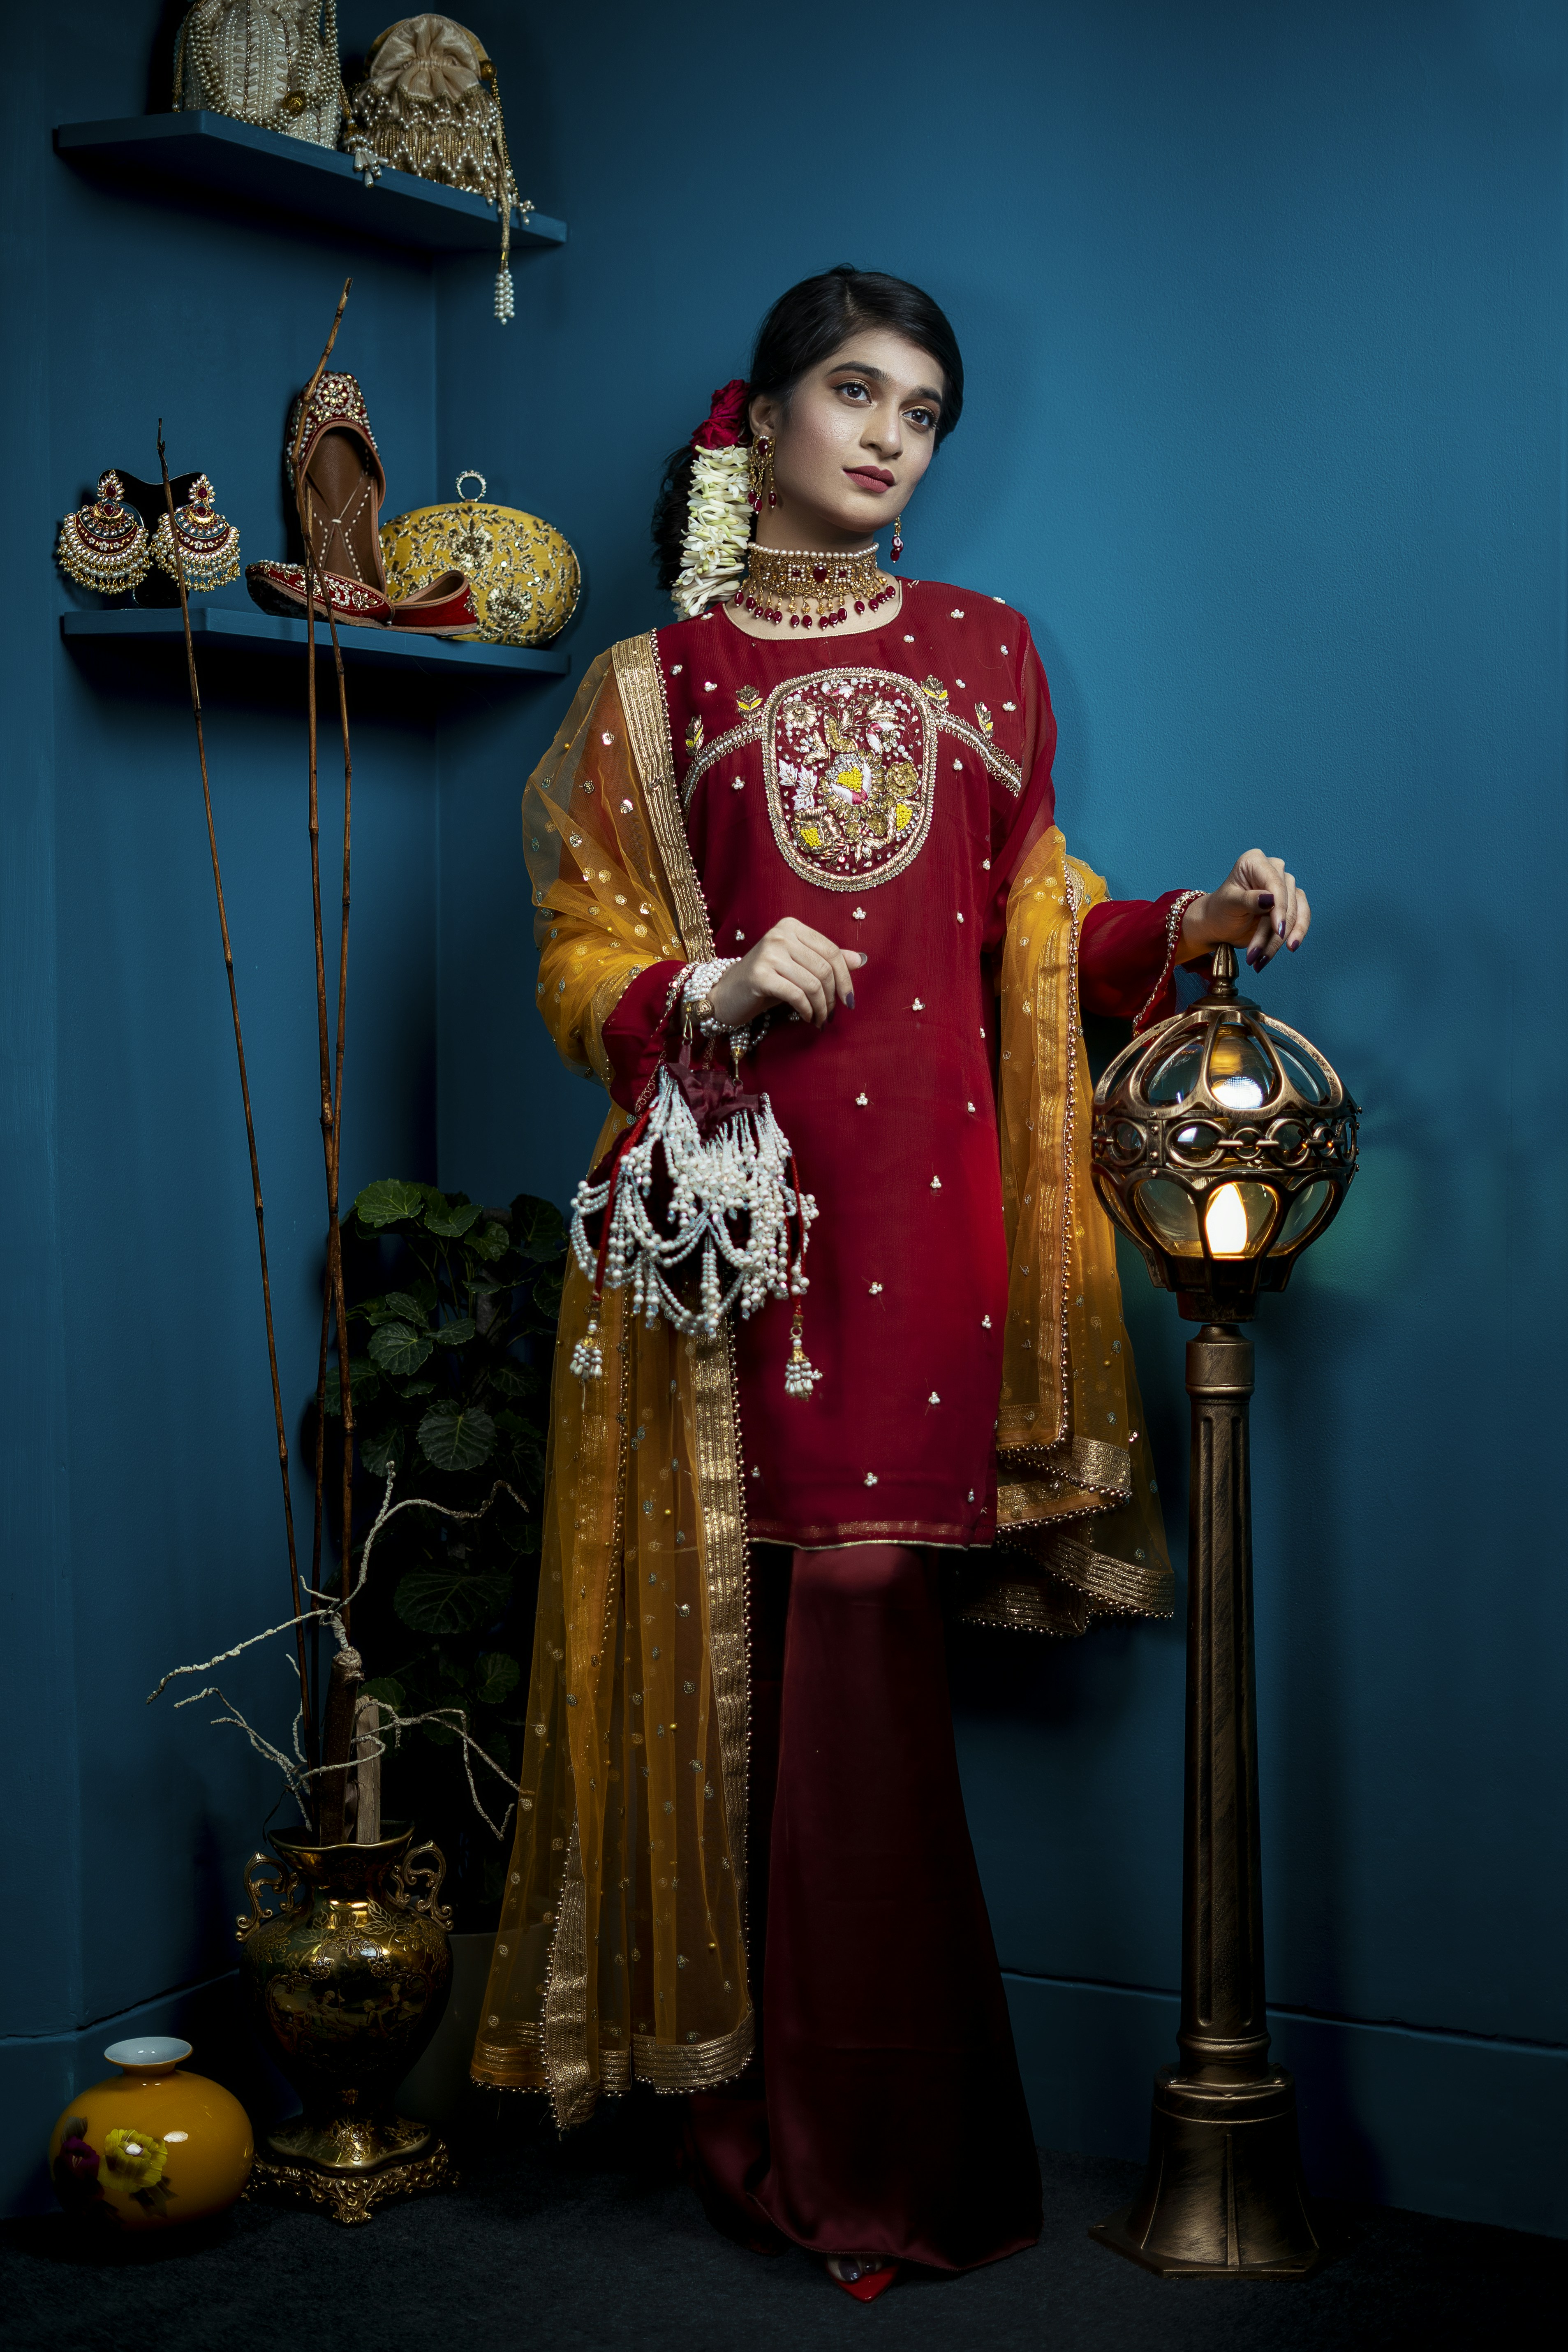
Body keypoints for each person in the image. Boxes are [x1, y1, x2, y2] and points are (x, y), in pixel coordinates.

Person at [471, 266, 1310, 2301]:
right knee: (749, 1650)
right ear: (757, 418)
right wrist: (712, 982)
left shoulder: (989, 655)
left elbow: (1039, 928)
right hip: (733, 1235)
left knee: (855, 1627)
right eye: (852, 393)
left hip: (931, 1229)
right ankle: (790, 2136)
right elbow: (580, 947)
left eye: (922, 411)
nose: (887, 436)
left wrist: (1189, 924)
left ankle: (875, 2159)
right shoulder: (651, 690)